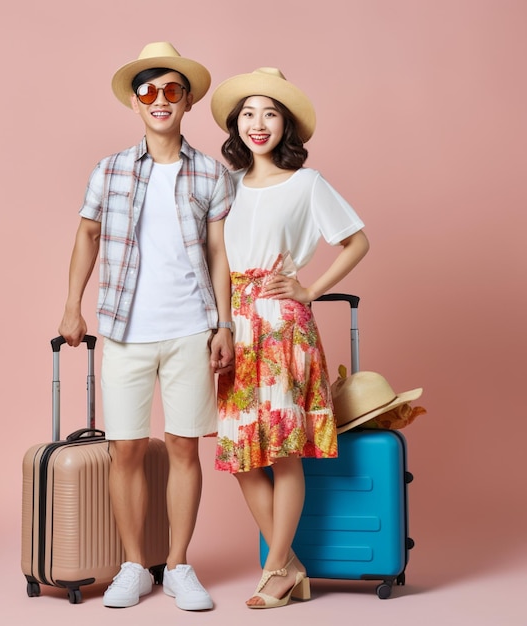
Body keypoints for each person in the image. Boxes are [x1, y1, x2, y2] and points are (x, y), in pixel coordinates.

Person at [58, 42, 234, 611]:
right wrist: (71, 305)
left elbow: (219, 253)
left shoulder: (210, 172)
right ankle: (135, 565)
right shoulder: (108, 170)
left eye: (171, 91)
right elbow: (86, 236)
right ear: (135, 103)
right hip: (124, 331)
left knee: (185, 447)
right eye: (149, 91)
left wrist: (224, 323)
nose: (160, 100)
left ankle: (179, 564)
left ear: (186, 102)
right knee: (125, 450)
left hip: (191, 329)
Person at [210, 67, 370, 609]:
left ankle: (275, 565)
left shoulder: (308, 183)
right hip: (233, 322)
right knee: (240, 451)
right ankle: (290, 565)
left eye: (271, 113)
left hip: (281, 324)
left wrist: (309, 289)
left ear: (286, 126)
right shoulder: (224, 184)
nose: (259, 124)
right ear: (236, 124)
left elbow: (356, 242)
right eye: (249, 114)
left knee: (281, 450)